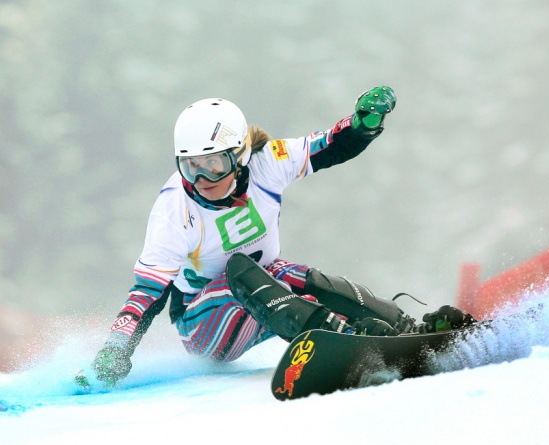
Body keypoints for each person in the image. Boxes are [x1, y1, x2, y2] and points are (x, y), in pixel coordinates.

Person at [76, 86, 475, 388]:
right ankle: (342, 338)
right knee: (241, 268)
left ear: (239, 156)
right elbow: (148, 292)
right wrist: (116, 349)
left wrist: (362, 125)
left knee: (294, 274)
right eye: (190, 166)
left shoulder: (268, 162)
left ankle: (405, 329)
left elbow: (329, 147)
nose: (202, 179)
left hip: (270, 302)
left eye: (214, 164)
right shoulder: (174, 209)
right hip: (205, 326)